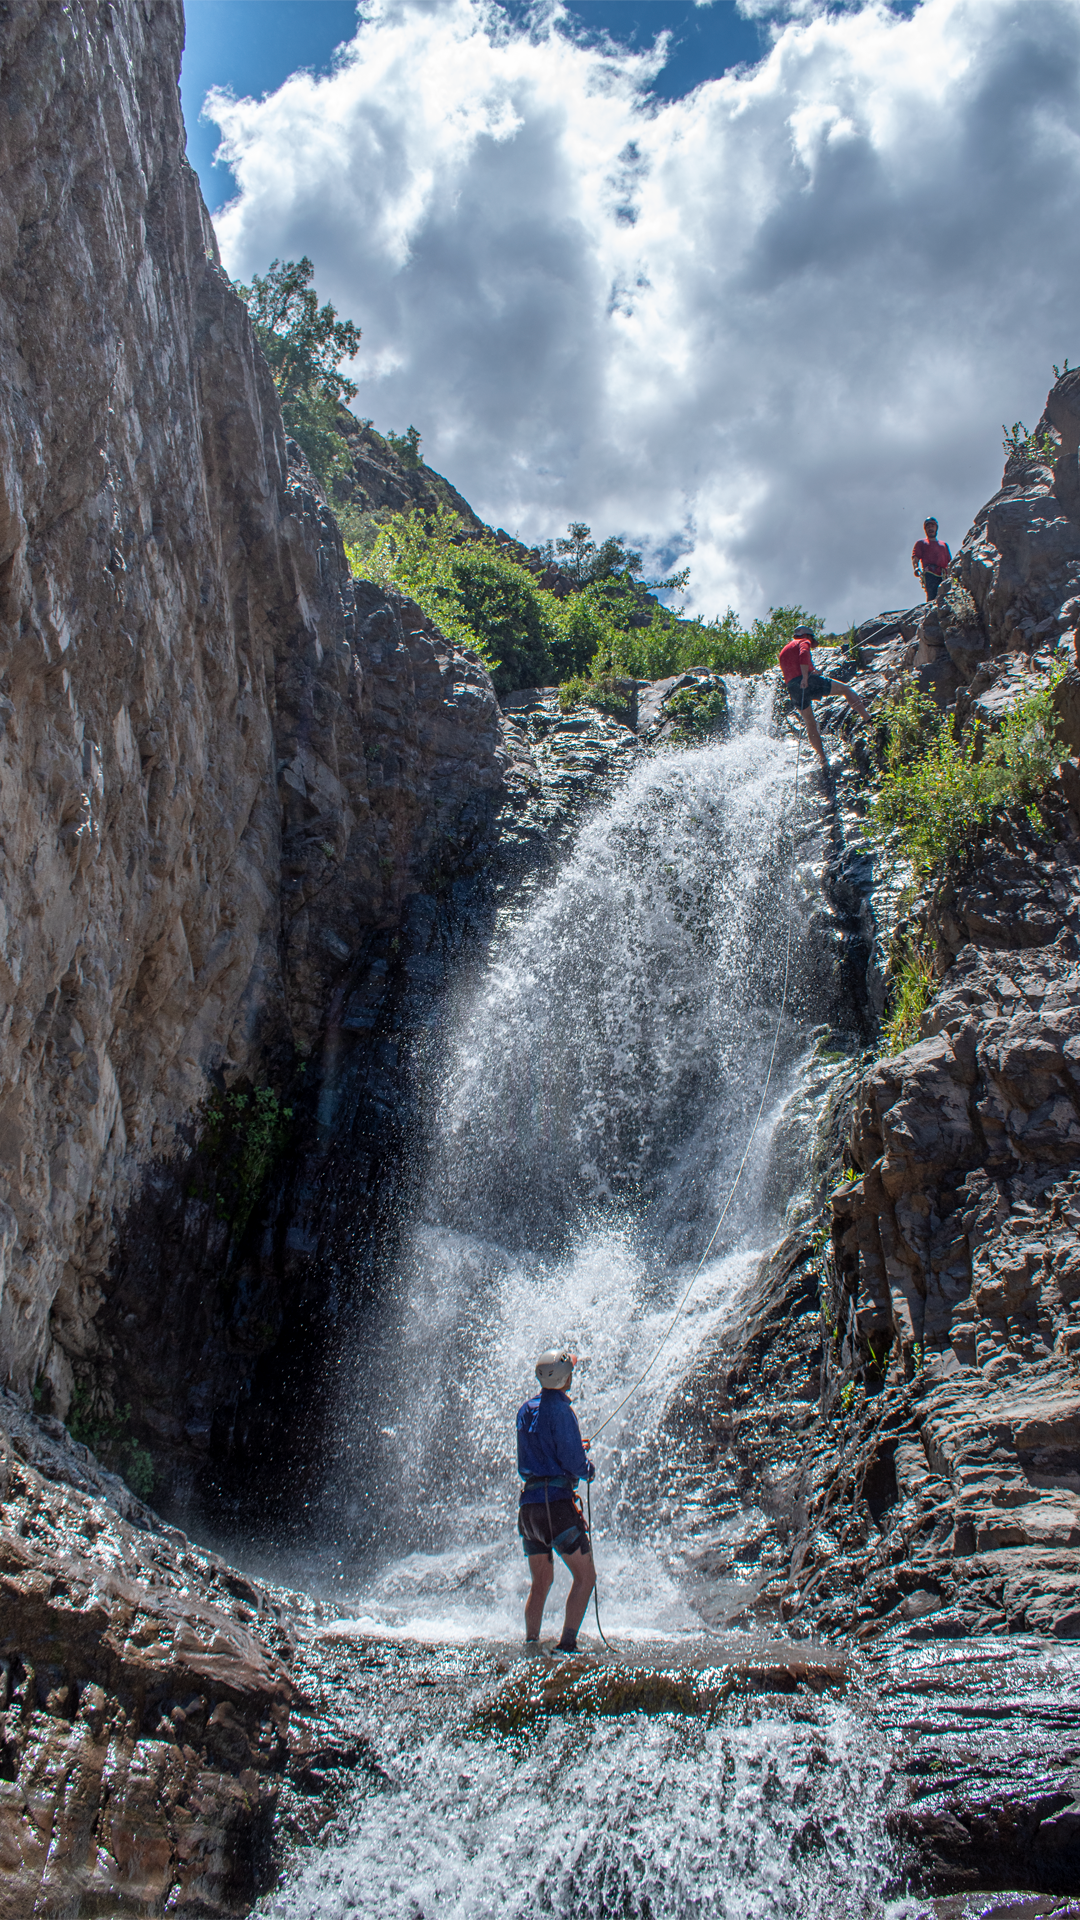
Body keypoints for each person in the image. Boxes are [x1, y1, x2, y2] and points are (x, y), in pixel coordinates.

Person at [516, 1349, 596, 1654]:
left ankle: (532, 1644)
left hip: (530, 1511)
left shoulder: (526, 1409)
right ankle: (567, 1645)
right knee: (585, 1576)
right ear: (565, 1379)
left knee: (541, 1581)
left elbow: (540, 1447)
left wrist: (574, 1444)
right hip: (556, 1508)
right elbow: (576, 1464)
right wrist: (588, 1468)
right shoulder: (563, 1412)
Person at [778, 624, 871, 775]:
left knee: (810, 722)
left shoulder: (785, 650)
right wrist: (807, 677)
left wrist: (813, 671)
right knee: (846, 689)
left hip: (793, 688)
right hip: (805, 681)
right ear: (808, 636)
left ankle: (822, 759)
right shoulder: (804, 642)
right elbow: (803, 655)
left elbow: (794, 667)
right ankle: (868, 718)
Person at [911, 517, 951, 601]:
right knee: (932, 596)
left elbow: (949, 561)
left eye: (932, 526)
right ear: (925, 530)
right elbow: (915, 557)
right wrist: (916, 568)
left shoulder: (944, 545)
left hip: (944, 575)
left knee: (946, 597)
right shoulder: (921, 543)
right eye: (928, 527)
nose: (930, 528)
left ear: (936, 528)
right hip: (930, 573)